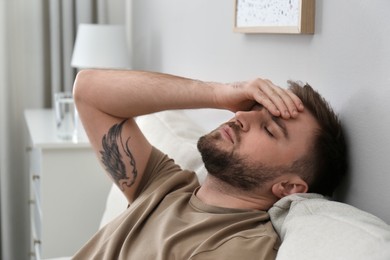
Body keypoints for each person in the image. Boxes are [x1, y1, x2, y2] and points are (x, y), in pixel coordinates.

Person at [72, 70, 347, 260]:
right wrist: (218, 93)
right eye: (252, 109)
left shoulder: (239, 248)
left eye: (269, 129)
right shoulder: (165, 184)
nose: (240, 116)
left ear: (288, 187)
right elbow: (88, 91)